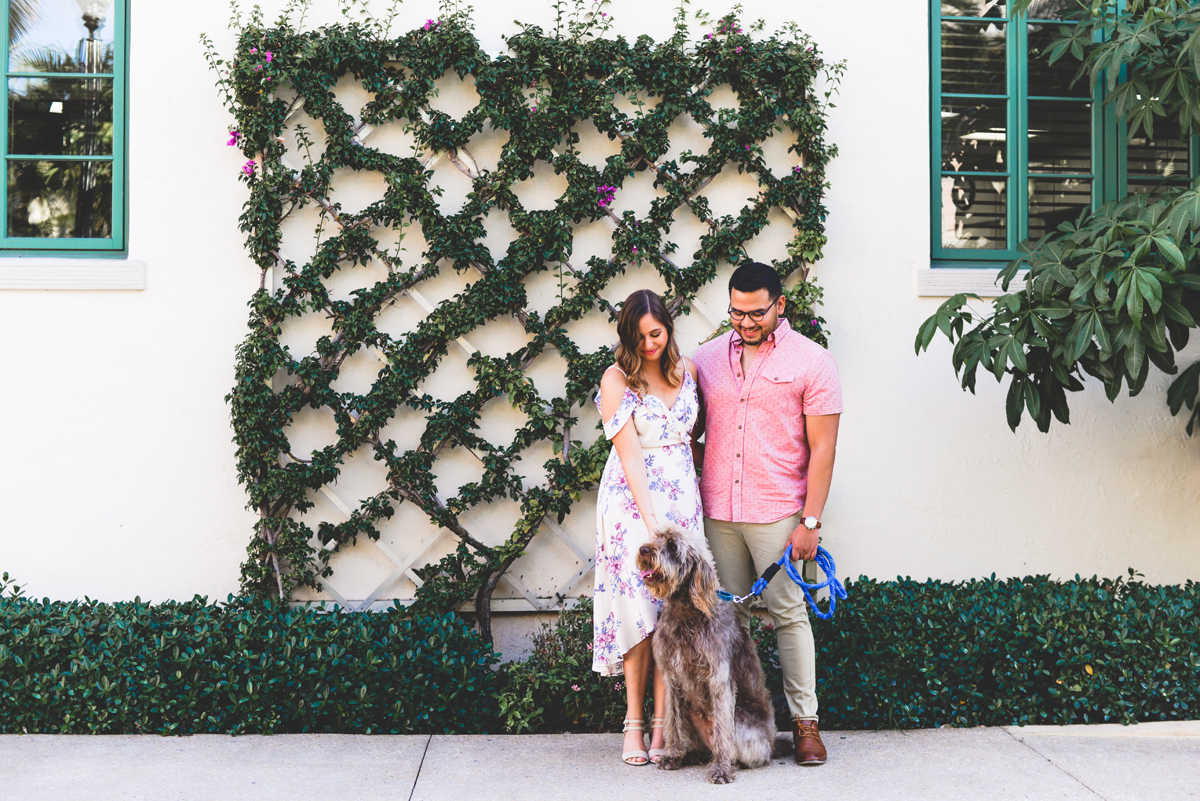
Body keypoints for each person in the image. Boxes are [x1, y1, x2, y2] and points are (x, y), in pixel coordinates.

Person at [692, 262, 843, 766]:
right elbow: (686, 430)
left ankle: (806, 725)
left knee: (789, 616)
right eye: (737, 311)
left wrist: (811, 522)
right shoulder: (705, 359)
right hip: (718, 512)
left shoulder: (814, 361)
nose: (746, 321)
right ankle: (732, 725)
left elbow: (823, 450)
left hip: (779, 514)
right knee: (724, 622)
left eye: (757, 312)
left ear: (780, 305)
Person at [591, 289, 703, 766]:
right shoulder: (617, 379)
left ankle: (665, 725)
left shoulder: (689, 371)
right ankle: (634, 723)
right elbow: (630, 456)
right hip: (633, 507)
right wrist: (655, 525)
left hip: (685, 503)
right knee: (638, 613)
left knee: (674, 617)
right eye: (640, 337)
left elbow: (696, 441)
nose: (649, 344)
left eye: (656, 333)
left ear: (669, 329)